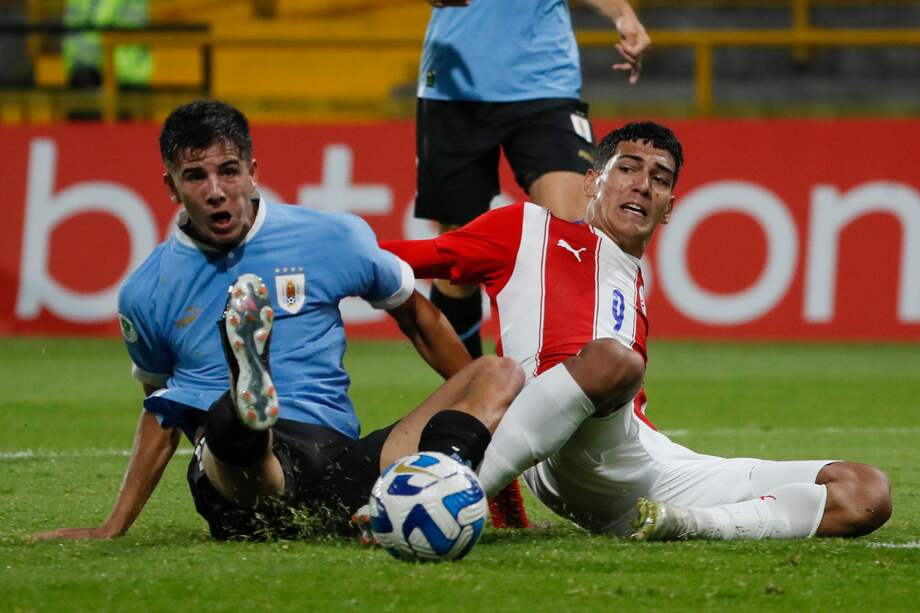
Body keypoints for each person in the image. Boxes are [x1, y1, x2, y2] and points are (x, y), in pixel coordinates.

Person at [33, 100, 524, 541]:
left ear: (251, 171)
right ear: (171, 186)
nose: (216, 191)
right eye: (195, 177)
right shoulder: (147, 291)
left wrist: (463, 396)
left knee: (497, 373)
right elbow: (162, 414)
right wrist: (111, 526)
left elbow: (417, 314)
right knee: (231, 427)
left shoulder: (331, 237)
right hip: (239, 482)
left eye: (228, 172)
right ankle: (250, 409)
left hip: (338, 463)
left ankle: (413, 491)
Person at [383, 121, 892, 540]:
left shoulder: (632, 284)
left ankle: (687, 526)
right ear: (591, 182)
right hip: (561, 443)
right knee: (615, 360)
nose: (643, 184)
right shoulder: (528, 230)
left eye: (660, 178)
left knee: (866, 492)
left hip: (637, 465)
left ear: (669, 207)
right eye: (627, 168)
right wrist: (315, 248)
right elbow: (395, 260)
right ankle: (452, 495)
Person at [415, 0, 650, 361]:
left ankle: (572, 383)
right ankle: (469, 393)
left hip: (546, 85)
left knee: (574, 233)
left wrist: (623, 13)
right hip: (453, 89)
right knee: (457, 262)